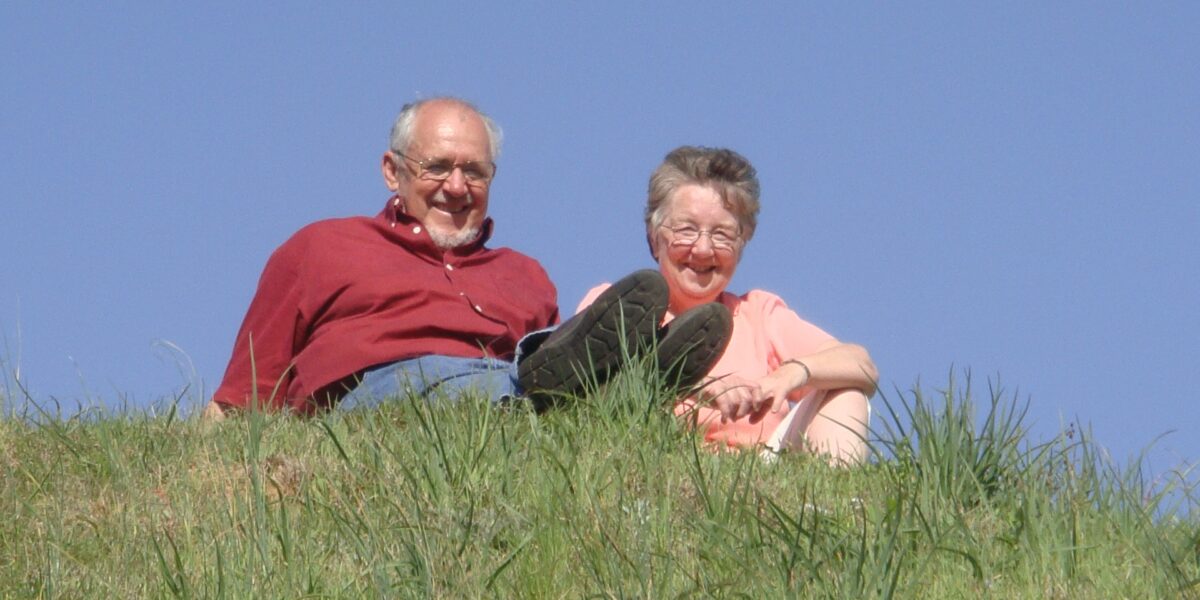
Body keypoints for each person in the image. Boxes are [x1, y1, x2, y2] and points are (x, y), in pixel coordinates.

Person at [204, 98, 728, 419]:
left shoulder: (525, 275)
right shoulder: (320, 247)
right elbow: (244, 394)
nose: (457, 187)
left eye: (475, 172)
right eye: (438, 167)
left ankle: (621, 390)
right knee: (474, 374)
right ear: (393, 171)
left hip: (499, 393)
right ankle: (607, 392)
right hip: (379, 395)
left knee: (531, 374)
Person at [577, 146, 878, 464]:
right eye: (686, 230)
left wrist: (791, 374)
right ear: (654, 238)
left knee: (845, 391)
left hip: (762, 469)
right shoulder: (618, 303)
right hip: (654, 460)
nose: (704, 249)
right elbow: (586, 384)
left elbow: (862, 364)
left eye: (722, 234)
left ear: (742, 242)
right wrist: (699, 384)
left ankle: (831, 508)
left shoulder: (757, 314)